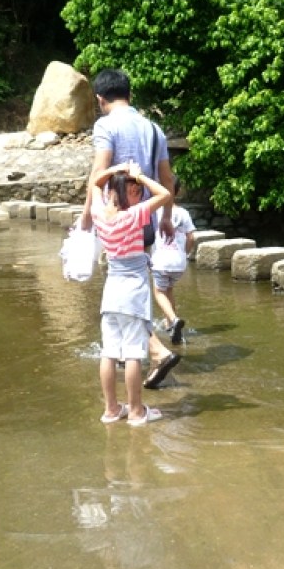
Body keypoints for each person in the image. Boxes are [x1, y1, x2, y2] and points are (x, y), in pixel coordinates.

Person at [81, 68, 181, 390]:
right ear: (130, 94)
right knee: (135, 288)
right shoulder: (153, 128)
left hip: (117, 222)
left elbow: (99, 172)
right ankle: (139, 352)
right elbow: (167, 179)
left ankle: (156, 351)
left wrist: (86, 219)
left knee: (121, 293)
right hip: (146, 220)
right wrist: (166, 215)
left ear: (100, 99)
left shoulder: (105, 125)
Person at [91, 161, 172, 427]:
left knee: (109, 353)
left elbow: (93, 183)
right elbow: (164, 194)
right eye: (135, 190)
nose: (139, 193)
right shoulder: (133, 215)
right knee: (134, 354)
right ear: (127, 192)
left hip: (111, 292)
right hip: (132, 293)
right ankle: (137, 411)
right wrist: (140, 176)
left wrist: (115, 169)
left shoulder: (99, 214)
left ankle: (112, 409)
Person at [150, 176, 195, 344]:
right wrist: (185, 254)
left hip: (161, 260)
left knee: (159, 292)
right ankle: (170, 324)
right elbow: (191, 238)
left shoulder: (155, 211)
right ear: (177, 192)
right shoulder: (183, 213)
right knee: (169, 290)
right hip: (179, 262)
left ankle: (174, 320)